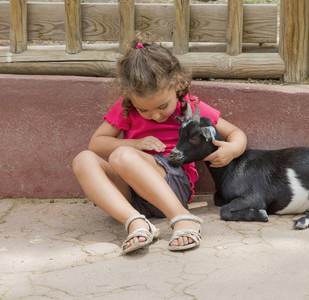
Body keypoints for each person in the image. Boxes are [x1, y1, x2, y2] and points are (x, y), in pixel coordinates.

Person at [72, 32, 247, 254]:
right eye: (144, 110)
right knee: (83, 160)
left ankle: (182, 218)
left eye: (162, 106)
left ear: (178, 84)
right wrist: (136, 144)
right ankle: (135, 222)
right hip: (131, 194)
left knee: (121, 156)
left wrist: (233, 149)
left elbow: (234, 132)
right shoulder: (127, 107)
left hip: (172, 184)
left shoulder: (190, 107)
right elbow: (96, 144)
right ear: (130, 97)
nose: (155, 116)